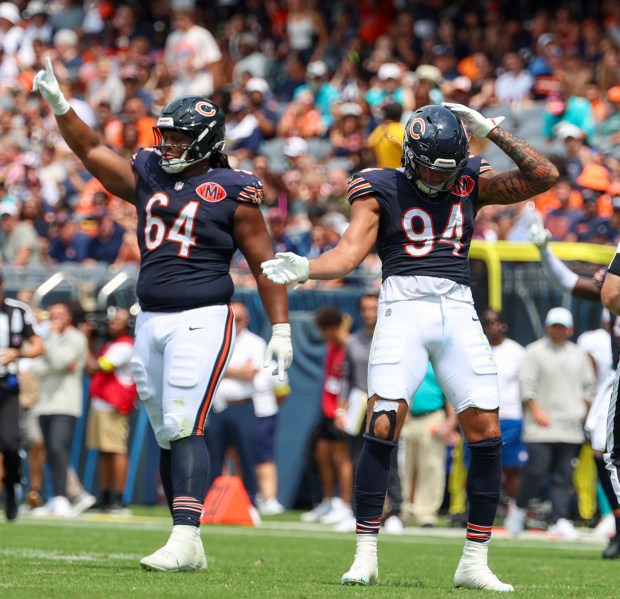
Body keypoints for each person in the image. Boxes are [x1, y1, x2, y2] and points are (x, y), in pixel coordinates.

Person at [262, 101, 559, 590]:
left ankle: (475, 560)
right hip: (403, 305)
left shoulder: (469, 177)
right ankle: (365, 552)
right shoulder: (378, 185)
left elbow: (543, 175)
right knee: (382, 422)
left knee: (486, 432)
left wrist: (492, 132)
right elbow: (350, 252)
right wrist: (308, 267)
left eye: (449, 168)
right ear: (408, 154)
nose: (441, 179)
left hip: (459, 308)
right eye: (431, 167)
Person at [32, 58, 292, 573]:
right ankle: (186, 539)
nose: (167, 145)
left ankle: (185, 536)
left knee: (183, 421)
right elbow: (89, 149)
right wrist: (61, 106)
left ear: (205, 141)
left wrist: (280, 326)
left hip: (202, 315)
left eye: (178, 138)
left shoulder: (235, 191)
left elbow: (266, 266)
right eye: (165, 136)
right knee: (167, 431)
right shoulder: (150, 173)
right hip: (150, 318)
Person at [530, 215, 620, 557]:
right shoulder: (612, 283)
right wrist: (543, 251)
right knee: (602, 448)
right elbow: (568, 282)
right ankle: (617, 523)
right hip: (615, 377)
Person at [506, 307, 595, 540]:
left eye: (562, 327)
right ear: (547, 327)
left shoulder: (579, 355)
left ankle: (560, 519)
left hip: (570, 427)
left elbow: (588, 387)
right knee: (536, 470)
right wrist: (535, 411)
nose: (558, 331)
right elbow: (526, 385)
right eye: (554, 326)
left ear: (570, 329)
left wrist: (584, 410)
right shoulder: (533, 352)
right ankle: (519, 509)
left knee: (564, 476)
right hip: (541, 427)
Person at [30, 302, 89, 517]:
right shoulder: (47, 338)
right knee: (50, 452)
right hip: (44, 404)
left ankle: (64, 496)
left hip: (66, 404)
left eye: (59, 315)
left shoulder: (76, 338)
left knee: (58, 448)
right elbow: (35, 369)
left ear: (68, 317)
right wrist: (55, 365)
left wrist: (52, 345)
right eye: (52, 315)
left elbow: (60, 359)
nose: (54, 319)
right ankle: (56, 497)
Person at [206, 301, 264, 507]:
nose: (233, 323)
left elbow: (251, 372)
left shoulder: (255, 343)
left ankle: (250, 503)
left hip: (242, 407)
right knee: (214, 458)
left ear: (246, 320)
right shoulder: (216, 340)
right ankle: (211, 504)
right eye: (230, 319)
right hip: (217, 407)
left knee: (246, 457)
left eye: (237, 319)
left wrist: (223, 369)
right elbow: (208, 369)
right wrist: (235, 370)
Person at [301, 306, 354, 525]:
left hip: (344, 411)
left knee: (342, 458)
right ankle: (328, 500)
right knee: (322, 454)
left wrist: (342, 410)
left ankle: (345, 504)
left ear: (331, 327)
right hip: (327, 410)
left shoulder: (349, 346)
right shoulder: (331, 347)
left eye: (324, 330)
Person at [84, 308, 136, 513]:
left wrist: (86, 344)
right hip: (101, 404)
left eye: (118, 321)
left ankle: (120, 499)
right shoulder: (111, 344)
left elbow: (96, 367)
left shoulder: (123, 347)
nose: (112, 323)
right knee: (104, 451)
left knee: (116, 450)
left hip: (114, 406)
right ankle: (106, 496)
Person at [0, 274, 44, 520]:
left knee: (10, 443)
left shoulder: (18, 311)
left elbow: (39, 346)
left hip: (7, 386)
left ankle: (11, 485)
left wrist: (17, 353)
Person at [480, 310, 526, 505]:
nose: (493, 326)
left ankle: (516, 510)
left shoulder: (517, 352)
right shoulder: (478, 350)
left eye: (496, 322)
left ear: (503, 324)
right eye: (488, 323)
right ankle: (482, 510)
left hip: (511, 417)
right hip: (482, 417)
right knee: (483, 467)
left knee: (511, 467)